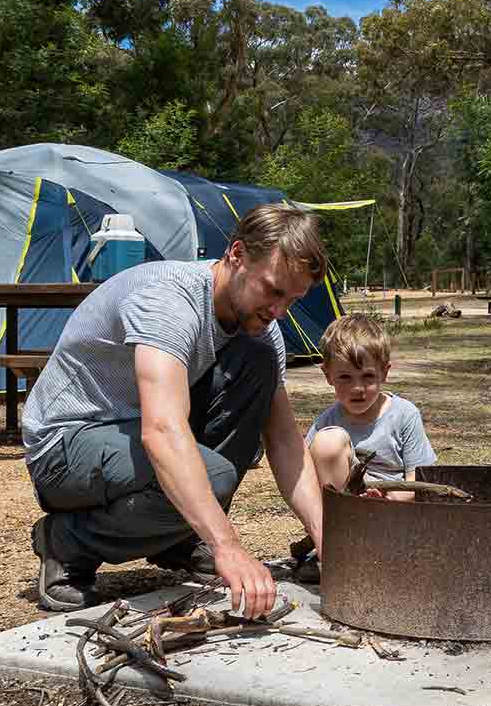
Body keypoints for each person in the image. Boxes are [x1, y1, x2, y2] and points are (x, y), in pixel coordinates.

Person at [22, 203, 327, 619]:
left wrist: (325, 533)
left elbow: (284, 439)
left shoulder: (261, 326)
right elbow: (162, 431)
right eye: (273, 290)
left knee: (256, 362)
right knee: (213, 475)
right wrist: (228, 547)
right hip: (66, 445)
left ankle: (176, 536)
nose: (278, 311)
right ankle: (67, 543)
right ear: (237, 255)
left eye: (292, 300)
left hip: (129, 439)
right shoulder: (170, 300)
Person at [305, 313, 437, 500]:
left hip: (393, 507)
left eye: (367, 376)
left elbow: (419, 477)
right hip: (346, 507)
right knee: (327, 442)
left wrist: (390, 499)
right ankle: (341, 520)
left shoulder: (404, 414)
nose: (357, 388)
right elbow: (307, 473)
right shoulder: (327, 423)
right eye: (345, 377)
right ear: (328, 376)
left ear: (384, 373)